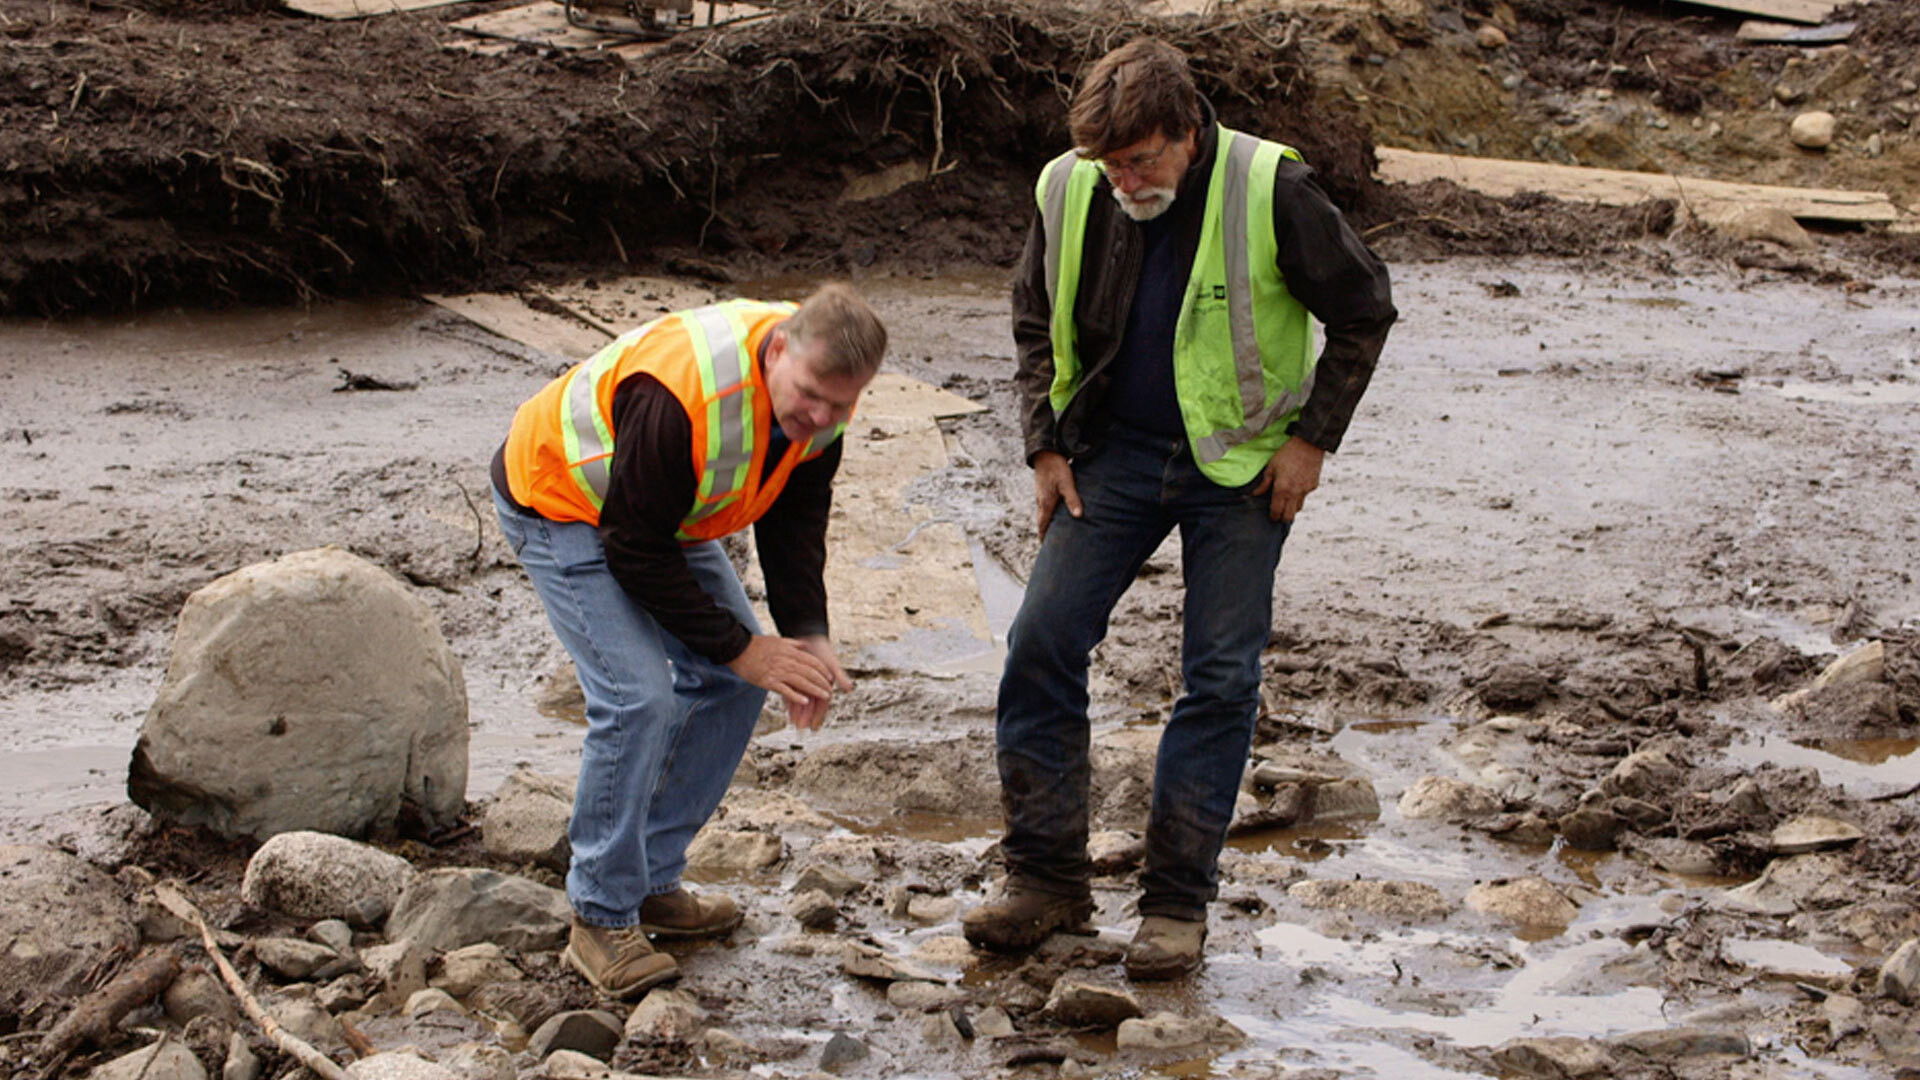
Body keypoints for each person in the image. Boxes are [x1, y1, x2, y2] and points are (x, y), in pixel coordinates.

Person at [961, 39, 1398, 980]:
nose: (1124, 182)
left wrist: (1311, 442)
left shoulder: (1270, 187)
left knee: (1219, 677)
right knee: (1040, 643)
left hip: (1242, 466)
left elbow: (1365, 308)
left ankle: (1174, 907)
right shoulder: (1069, 185)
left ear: (1188, 132)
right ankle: (1045, 880)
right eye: (1110, 165)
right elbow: (1033, 313)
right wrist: (1044, 445)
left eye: (1141, 161)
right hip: (1110, 455)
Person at [491, 283, 886, 997]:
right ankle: (600, 916)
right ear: (777, 351)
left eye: (840, 405)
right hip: (560, 498)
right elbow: (633, 550)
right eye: (809, 397)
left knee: (734, 683)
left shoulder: (825, 398)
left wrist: (806, 632)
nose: (822, 418)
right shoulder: (683, 395)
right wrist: (744, 646)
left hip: (658, 510)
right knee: (636, 697)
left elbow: (796, 513)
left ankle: (646, 880)